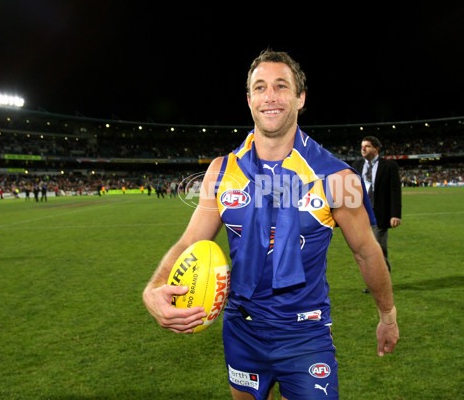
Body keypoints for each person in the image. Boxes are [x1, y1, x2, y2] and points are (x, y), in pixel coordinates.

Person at [143, 49, 399, 400]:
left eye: (281, 86)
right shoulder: (221, 172)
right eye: (260, 87)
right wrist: (153, 287)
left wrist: (388, 315)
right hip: (242, 330)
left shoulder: (338, 178)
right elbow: (190, 239)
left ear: (300, 97)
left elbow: (367, 253)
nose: (270, 96)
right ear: (249, 100)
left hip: (306, 335)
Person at [351, 136, 402, 280]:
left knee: (378, 250)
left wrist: (395, 214)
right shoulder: (357, 164)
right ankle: (374, 281)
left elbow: (395, 191)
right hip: (360, 215)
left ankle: (382, 282)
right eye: (362, 146)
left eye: (367, 146)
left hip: (379, 214)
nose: (363, 149)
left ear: (376, 149)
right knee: (365, 251)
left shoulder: (389, 165)